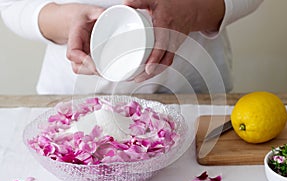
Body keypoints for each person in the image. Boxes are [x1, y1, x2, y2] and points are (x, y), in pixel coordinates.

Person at [0, 0, 263, 94]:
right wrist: (68, 20)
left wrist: (191, 11)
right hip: (72, 98)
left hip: (192, 97)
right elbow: (11, 5)